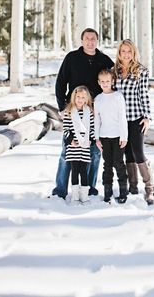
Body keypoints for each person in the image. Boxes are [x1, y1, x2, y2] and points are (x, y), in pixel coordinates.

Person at [52, 28, 114, 199]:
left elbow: (114, 80)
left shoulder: (104, 60)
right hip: (73, 110)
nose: (90, 41)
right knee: (68, 151)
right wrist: (62, 106)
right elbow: (60, 83)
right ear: (82, 40)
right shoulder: (72, 58)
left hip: (94, 112)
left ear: (97, 41)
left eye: (93, 38)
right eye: (87, 38)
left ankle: (90, 188)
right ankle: (60, 190)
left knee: (93, 152)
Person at [113, 39, 154, 205]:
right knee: (126, 153)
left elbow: (144, 95)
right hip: (119, 120)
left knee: (138, 152)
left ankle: (150, 188)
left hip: (136, 117)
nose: (126, 54)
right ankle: (132, 186)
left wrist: (147, 117)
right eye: (123, 51)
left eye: (129, 51)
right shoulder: (114, 71)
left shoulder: (141, 71)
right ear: (119, 53)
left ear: (134, 53)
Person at [94, 69, 128, 203]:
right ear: (99, 82)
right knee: (107, 165)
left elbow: (122, 117)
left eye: (107, 81)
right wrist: (97, 138)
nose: (105, 84)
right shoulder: (98, 99)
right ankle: (107, 192)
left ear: (112, 81)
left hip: (118, 136)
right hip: (104, 137)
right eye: (102, 82)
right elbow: (97, 120)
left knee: (119, 164)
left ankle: (123, 192)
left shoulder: (118, 96)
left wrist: (124, 136)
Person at [63, 86, 95, 203]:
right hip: (73, 147)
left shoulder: (89, 112)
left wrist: (91, 139)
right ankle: (75, 196)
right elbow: (66, 129)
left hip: (85, 146)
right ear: (74, 97)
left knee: (84, 171)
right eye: (78, 97)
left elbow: (92, 128)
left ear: (86, 99)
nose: (80, 100)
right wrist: (70, 140)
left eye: (83, 98)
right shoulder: (69, 111)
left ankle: (84, 196)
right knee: (75, 171)